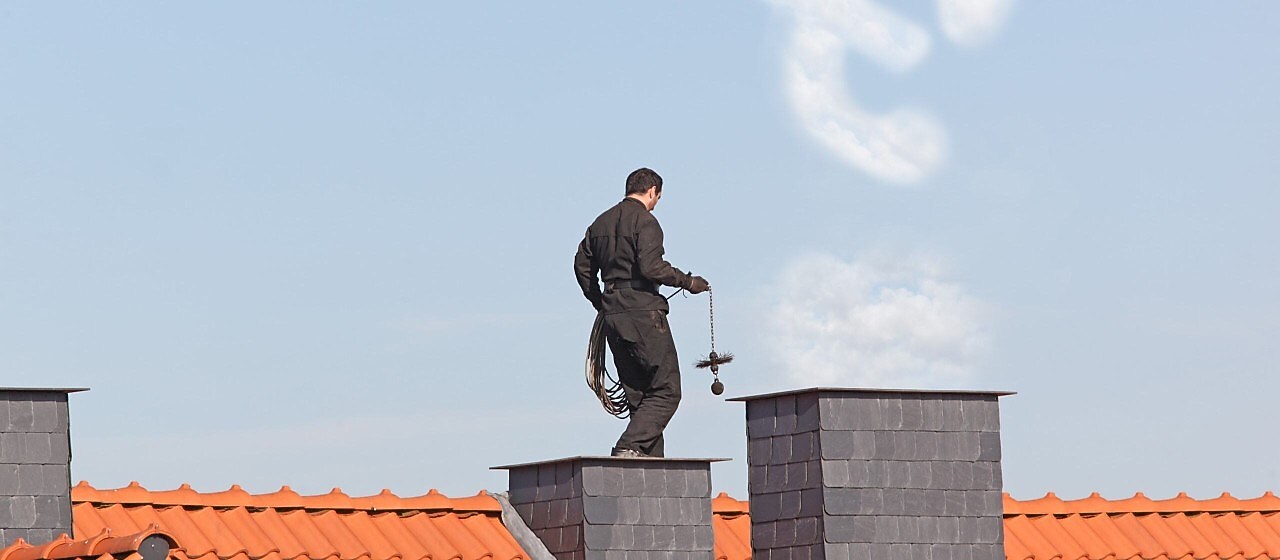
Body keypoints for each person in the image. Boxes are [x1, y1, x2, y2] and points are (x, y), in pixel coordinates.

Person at [574, 167, 710, 458]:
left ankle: (647, 467)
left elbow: (582, 267)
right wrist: (689, 282)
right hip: (643, 313)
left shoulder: (599, 223)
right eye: (658, 197)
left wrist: (600, 301)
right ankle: (628, 448)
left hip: (613, 316)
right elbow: (651, 268)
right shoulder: (646, 222)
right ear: (652, 191)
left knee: (639, 397)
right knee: (666, 391)